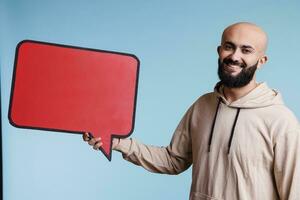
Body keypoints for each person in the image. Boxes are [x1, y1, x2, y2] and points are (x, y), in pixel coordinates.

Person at [83, 22, 300, 200]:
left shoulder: (281, 121)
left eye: (246, 50)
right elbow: (173, 160)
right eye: (229, 46)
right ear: (219, 50)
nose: (234, 56)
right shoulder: (202, 106)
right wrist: (117, 143)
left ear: (261, 61)